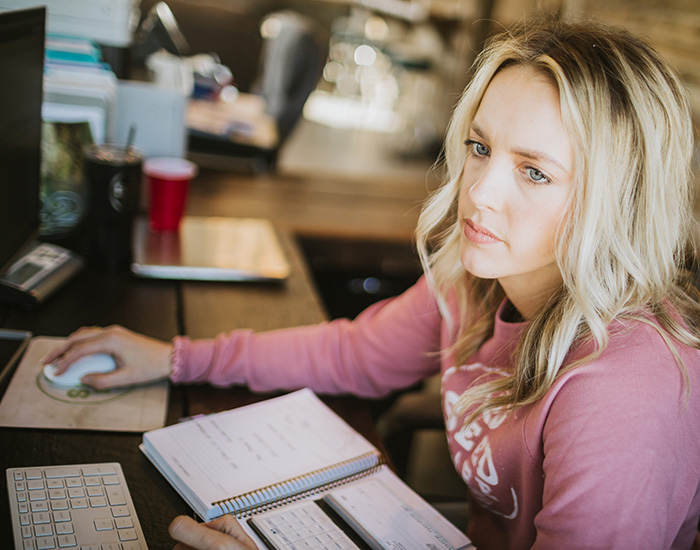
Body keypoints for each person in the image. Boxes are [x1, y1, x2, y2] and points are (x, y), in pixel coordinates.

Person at [44, 17, 700, 550]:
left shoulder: (624, 389)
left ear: (619, 200)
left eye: (534, 172)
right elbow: (356, 354)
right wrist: (175, 357)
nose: (479, 192)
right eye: (479, 147)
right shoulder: (481, 279)